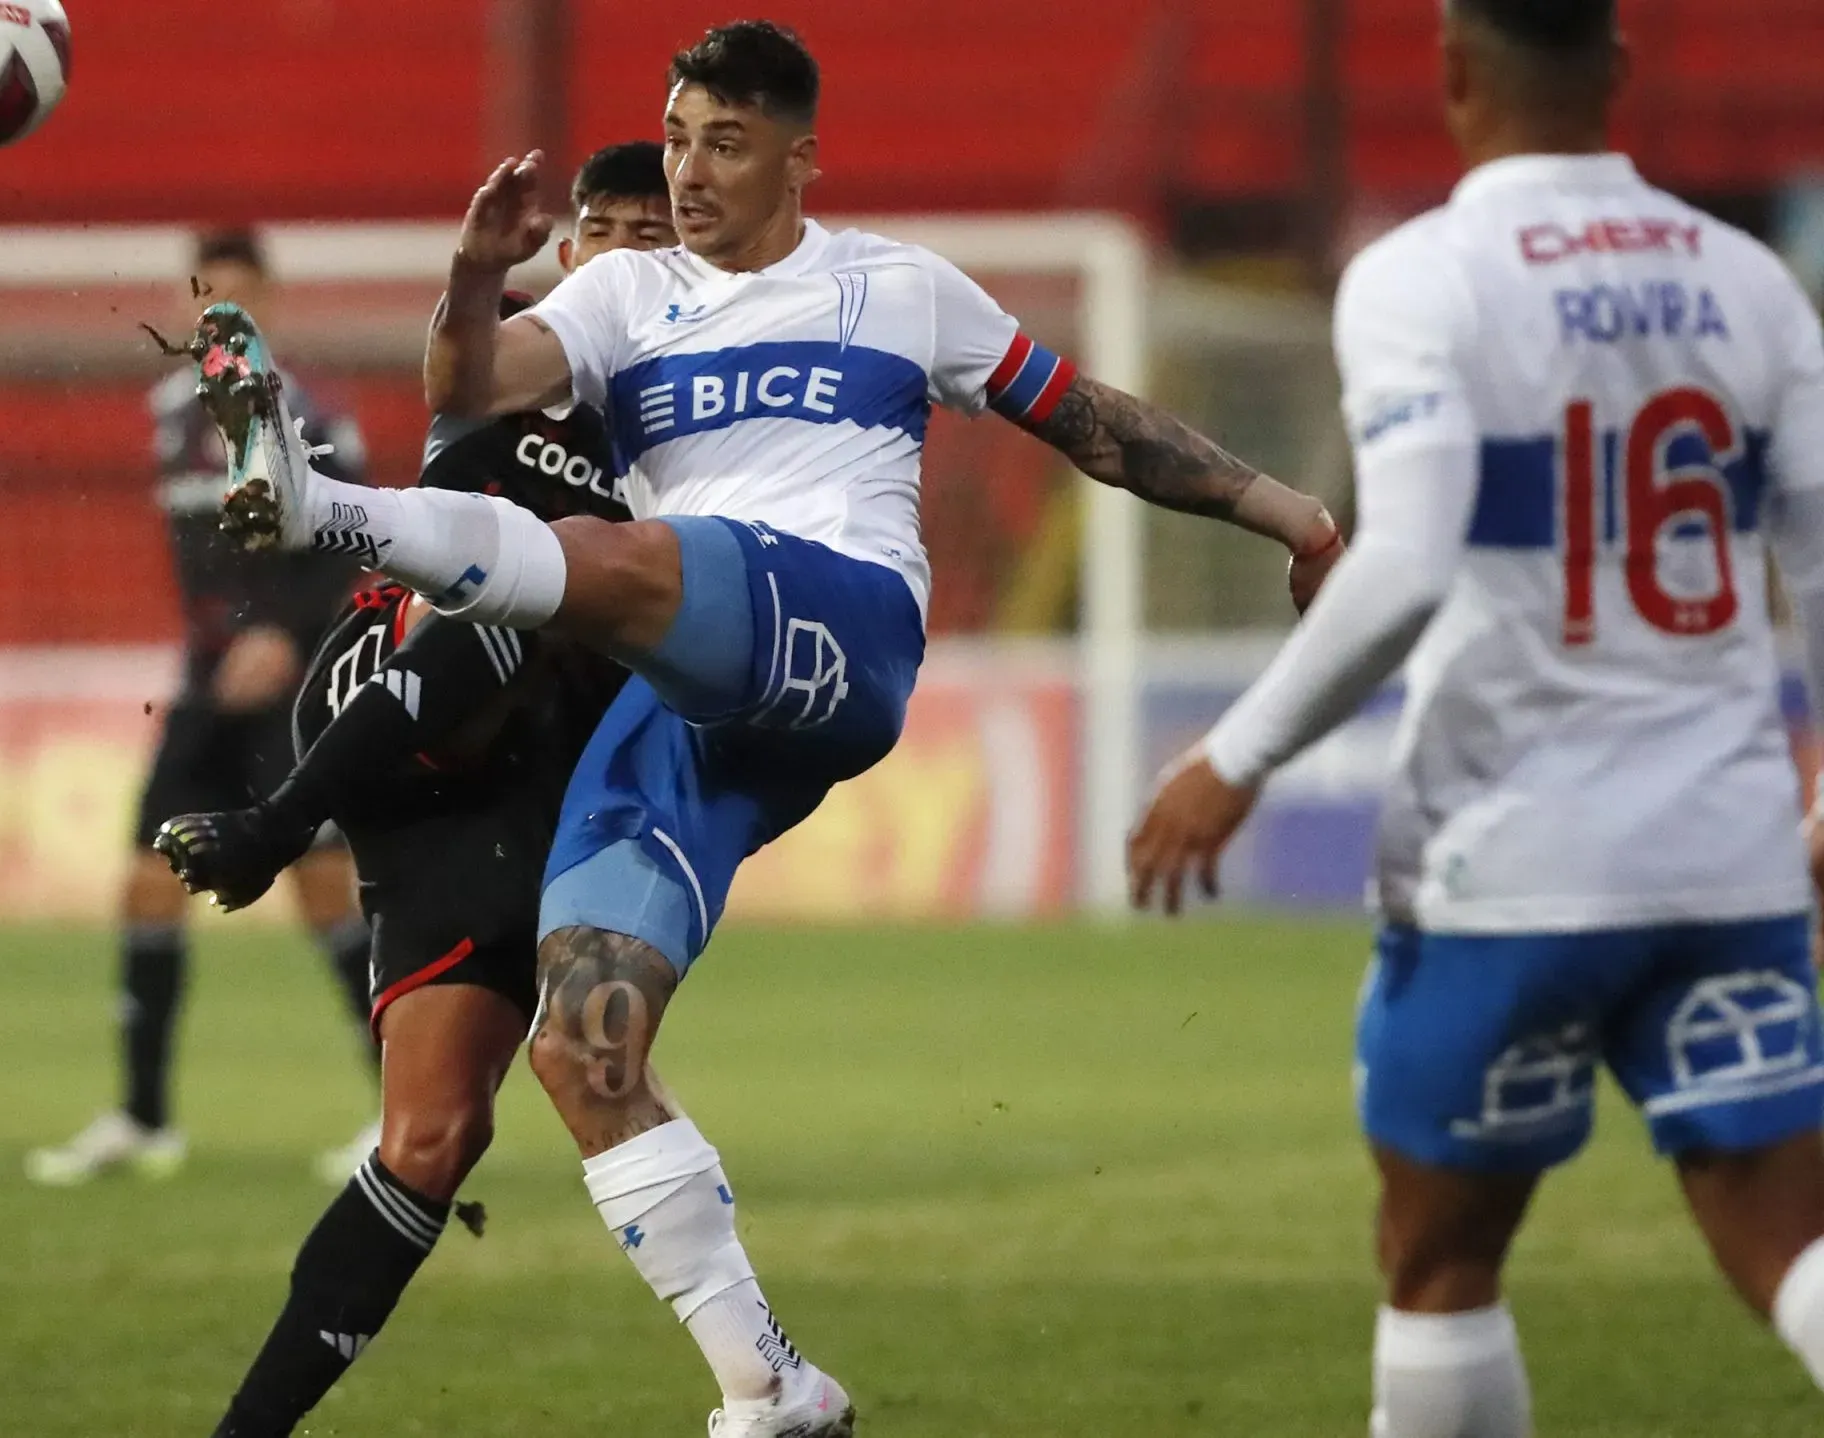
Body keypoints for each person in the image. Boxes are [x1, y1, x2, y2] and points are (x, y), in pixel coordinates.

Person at [195, 22, 1341, 1434]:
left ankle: (322, 504)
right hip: (695, 704)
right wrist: (480, 268)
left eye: (724, 143)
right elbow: (463, 387)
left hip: (838, 628)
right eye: (675, 137)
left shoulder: (899, 287)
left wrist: (1286, 509)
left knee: (642, 564)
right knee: (580, 1039)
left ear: (802, 158)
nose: (687, 170)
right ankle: (773, 1383)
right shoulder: (629, 299)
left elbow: (1089, 419)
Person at [1127, 2, 1824, 1432]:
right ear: (1618, 71)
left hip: (1512, 863)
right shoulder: (1749, 280)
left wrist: (1234, 753)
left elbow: (1408, 555)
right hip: (1729, 856)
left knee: (1440, 1256)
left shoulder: (1422, 275)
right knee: (1789, 1248)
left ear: (1451, 73)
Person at [158, 141, 674, 1438]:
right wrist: (476, 269)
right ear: (569, 254)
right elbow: (453, 369)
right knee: (513, 590)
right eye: (598, 227)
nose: (617, 247)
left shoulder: (697, 420)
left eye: (647, 229)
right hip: (399, 683)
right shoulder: (518, 371)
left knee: (433, 1140)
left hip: (522, 794)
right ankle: (281, 797)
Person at [26, 230, 378, 1187]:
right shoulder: (169, 413)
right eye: (206, 296)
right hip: (208, 680)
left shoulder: (310, 411)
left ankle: (404, 1113)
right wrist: (227, 638)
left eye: (239, 295)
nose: (220, 311)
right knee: (147, 878)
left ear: (271, 301)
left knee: (321, 888)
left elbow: (357, 540)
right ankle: (143, 1118)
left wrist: (287, 635)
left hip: (292, 683)